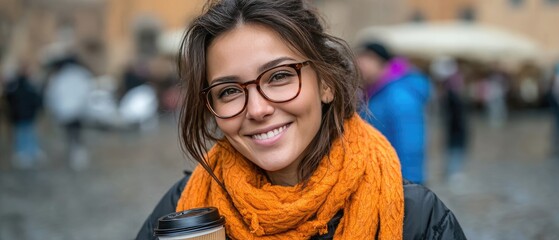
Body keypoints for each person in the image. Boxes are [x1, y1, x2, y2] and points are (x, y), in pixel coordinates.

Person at [136, 1, 465, 239]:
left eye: (279, 76)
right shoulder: (184, 211)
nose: (257, 109)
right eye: (229, 91)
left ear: (325, 84)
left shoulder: (418, 219)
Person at [357, 42, 431, 184]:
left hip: (397, 182)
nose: (361, 66)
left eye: (367, 60)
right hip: (379, 179)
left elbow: (410, 146)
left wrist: (408, 186)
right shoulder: (374, 92)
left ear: (381, 63)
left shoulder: (398, 96)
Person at [44, 54, 93, 170]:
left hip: (65, 111)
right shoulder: (81, 74)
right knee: (77, 132)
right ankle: (77, 152)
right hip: (78, 110)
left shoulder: (58, 77)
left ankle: (73, 151)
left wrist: (54, 109)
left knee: (70, 133)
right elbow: (87, 91)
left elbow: (52, 95)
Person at [4, 62, 44, 169]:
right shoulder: (18, 85)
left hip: (24, 114)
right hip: (21, 114)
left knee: (28, 132)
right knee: (23, 133)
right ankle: (22, 152)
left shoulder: (23, 84)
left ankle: (30, 151)